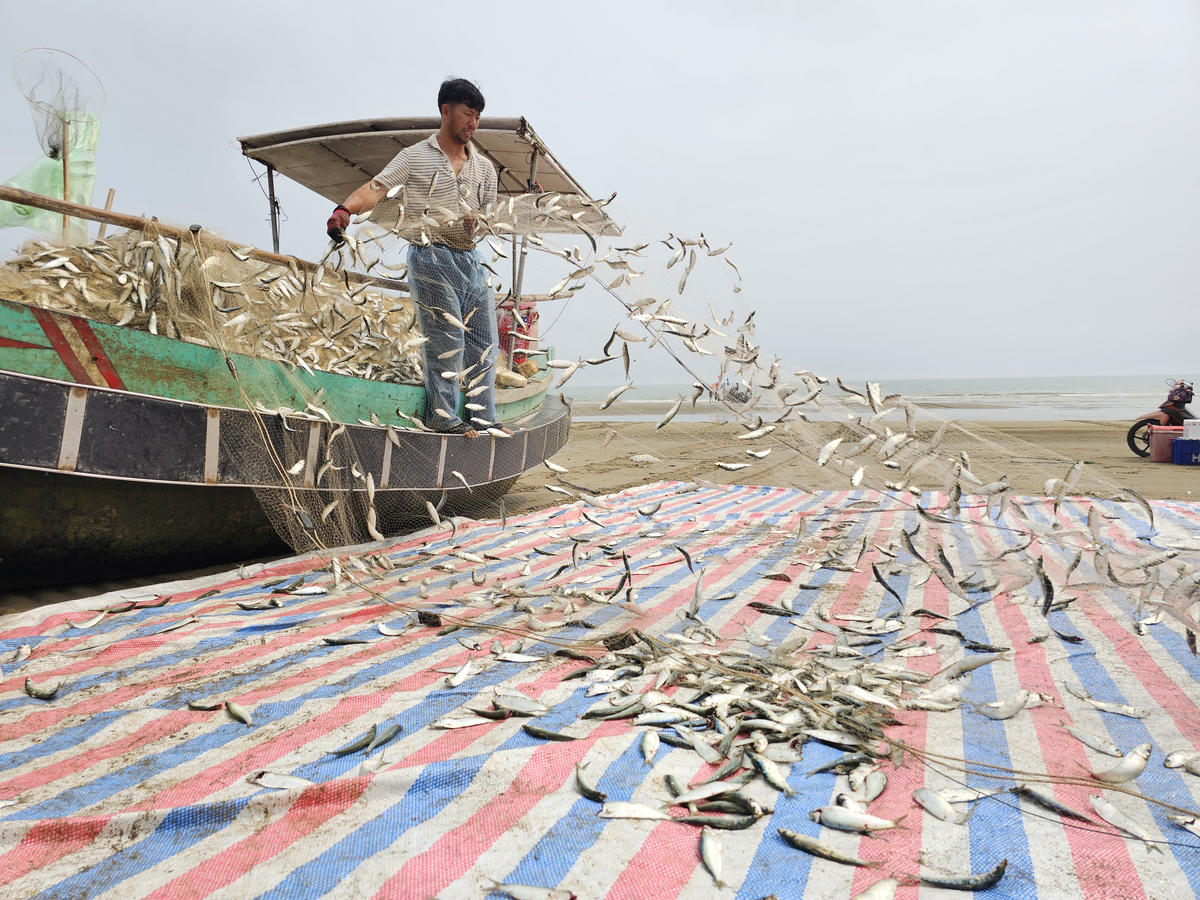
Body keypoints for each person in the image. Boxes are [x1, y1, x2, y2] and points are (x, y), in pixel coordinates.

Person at [326, 77, 508, 437]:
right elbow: (376, 188)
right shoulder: (414, 156)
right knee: (446, 341)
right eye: (468, 114)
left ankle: (483, 417)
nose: (473, 123)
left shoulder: (485, 168)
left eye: (478, 117)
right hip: (430, 256)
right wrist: (344, 210)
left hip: (470, 260)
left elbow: (490, 221)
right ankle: (442, 416)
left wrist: (480, 223)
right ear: (446, 111)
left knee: (484, 342)